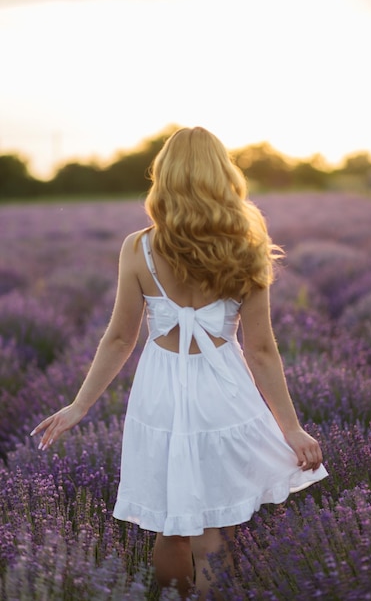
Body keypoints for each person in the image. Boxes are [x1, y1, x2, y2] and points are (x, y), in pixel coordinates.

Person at [31, 127, 328, 599]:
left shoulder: (138, 247)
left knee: (171, 525)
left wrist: (79, 406)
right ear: (222, 175)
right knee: (216, 525)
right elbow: (262, 349)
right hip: (223, 393)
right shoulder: (247, 245)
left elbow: (121, 337)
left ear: (164, 177)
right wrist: (290, 428)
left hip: (160, 393)